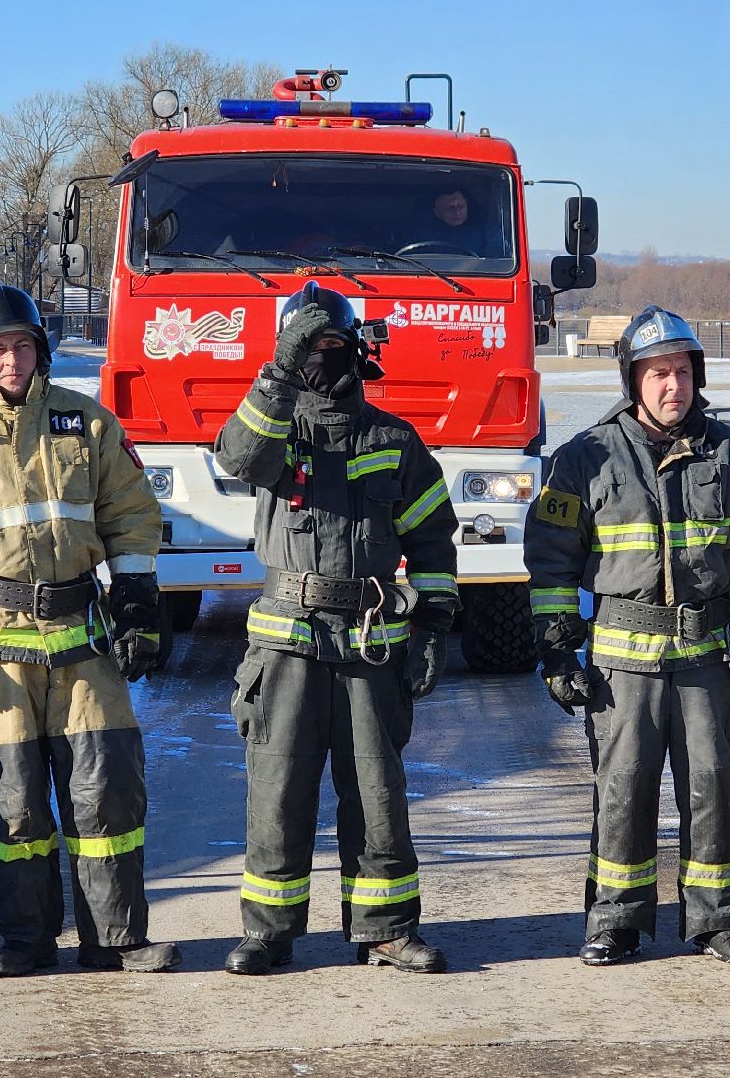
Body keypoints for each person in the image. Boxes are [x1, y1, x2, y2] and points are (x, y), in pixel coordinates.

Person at [0, 281, 179, 977]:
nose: (10, 360)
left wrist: (137, 605)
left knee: (107, 795)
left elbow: (133, 517)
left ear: (40, 351)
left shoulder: (88, 424)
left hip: (85, 647)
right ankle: (26, 940)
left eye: (21, 345)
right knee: (15, 806)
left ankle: (116, 939)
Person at [525, 305, 730, 967]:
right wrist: (556, 648)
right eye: (657, 373)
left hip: (708, 660)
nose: (672, 385)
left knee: (713, 788)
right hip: (621, 664)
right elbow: (552, 559)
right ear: (633, 380)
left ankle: (718, 922)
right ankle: (614, 923)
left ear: (696, 376)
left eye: (681, 371)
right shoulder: (583, 458)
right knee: (623, 791)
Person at [215, 281, 459, 976]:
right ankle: (268, 933)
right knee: (278, 791)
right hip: (285, 644)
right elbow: (236, 456)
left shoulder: (393, 439)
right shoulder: (274, 430)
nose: (320, 358)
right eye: (307, 347)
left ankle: (385, 930)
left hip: (370, 644)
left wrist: (433, 623)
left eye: (329, 344)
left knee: (378, 794)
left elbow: (433, 541)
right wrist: (278, 373)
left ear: (354, 348)